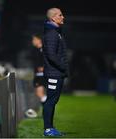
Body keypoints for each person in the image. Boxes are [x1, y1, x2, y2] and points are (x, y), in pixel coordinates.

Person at [42, 8, 69, 137]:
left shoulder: (55, 32)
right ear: (53, 18)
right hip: (54, 73)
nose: (63, 17)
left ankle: (51, 127)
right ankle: (47, 129)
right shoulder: (52, 34)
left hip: (56, 72)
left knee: (53, 100)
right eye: (60, 15)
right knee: (50, 101)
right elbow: (51, 55)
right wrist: (63, 66)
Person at [31, 34, 47, 103]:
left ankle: (48, 104)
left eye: (34, 39)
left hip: (41, 74)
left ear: (39, 40)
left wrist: (44, 67)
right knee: (40, 93)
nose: (33, 41)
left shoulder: (43, 50)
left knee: (39, 93)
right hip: (39, 74)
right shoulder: (37, 50)